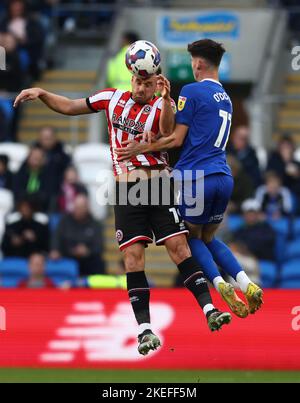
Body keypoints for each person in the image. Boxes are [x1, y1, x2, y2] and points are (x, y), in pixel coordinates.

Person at [14, 53, 232, 356]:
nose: (142, 89)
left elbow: (169, 132)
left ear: (155, 83)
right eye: (138, 82)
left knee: (179, 248)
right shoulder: (110, 98)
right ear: (131, 77)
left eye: (147, 84)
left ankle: (209, 309)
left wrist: (167, 98)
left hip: (157, 184)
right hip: (127, 190)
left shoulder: (161, 104)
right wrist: (42, 93)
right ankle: (144, 330)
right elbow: (70, 106)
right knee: (132, 258)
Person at [116, 39, 264, 317]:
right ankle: (245, 282)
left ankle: (220, 284)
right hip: (223, 177)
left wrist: (143, 147)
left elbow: (176, 139)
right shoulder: (227, 98)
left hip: (196, 178)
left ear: (198, 63)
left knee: (188, 237)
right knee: (209, 238)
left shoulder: (192, 91)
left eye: (192, 62)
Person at [50, 194, 105, 276]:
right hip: (67, 256)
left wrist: (88, 251)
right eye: (76, 207)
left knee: (98, 262)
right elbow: (56, 237)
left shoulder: (95, 224)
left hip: (88, 259)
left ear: (86, 208)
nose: (77, 210)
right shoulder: (65, 221)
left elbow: (99, 246)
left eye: (80, 208)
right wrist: (55, 249)